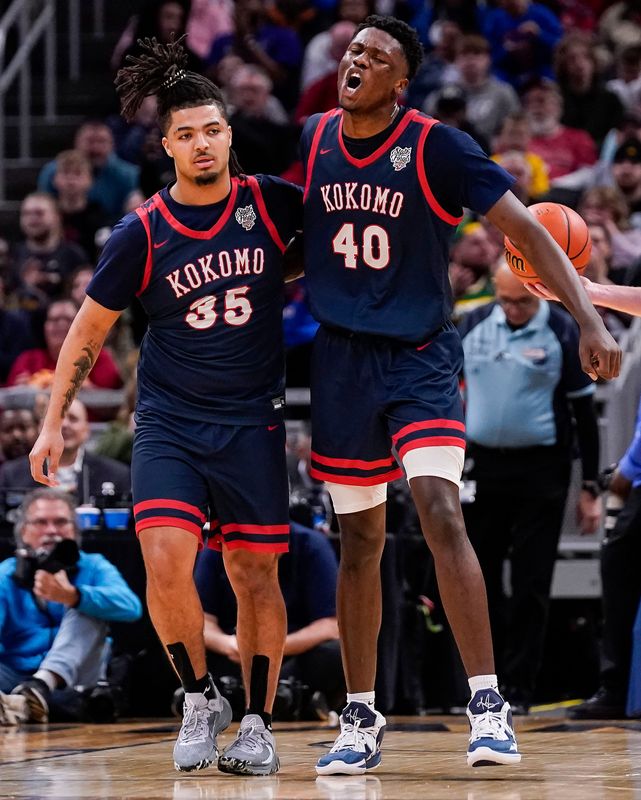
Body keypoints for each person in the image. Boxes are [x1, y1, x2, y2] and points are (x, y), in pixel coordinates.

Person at [299, 14, 620, 774]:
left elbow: (530, 233)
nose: (356, 61)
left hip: (418, 357)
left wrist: (586, 319)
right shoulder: (312, 136)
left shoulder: (437, 146)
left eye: (374, 57)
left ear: (399, 84)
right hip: (342, 361)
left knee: (441, 510)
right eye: (351, 50)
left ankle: (486, 703)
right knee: (360, 543)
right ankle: (359, 715)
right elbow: (297, 244)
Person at [28, 37, 302, 777]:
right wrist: (54, 421)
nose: (202, 142)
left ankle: (256, 722)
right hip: (172, 423)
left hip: (252, 419)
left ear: (228, 131)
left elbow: (319, 259)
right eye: (186, 133)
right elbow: (87, 331)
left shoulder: (272, 204)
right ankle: (196, 696)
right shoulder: (141, 231)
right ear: (168, 145)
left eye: (212, 128)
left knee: (253, 574)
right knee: (164, 557)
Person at [459, 265, 602, 714]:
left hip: (543, 470)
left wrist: (591, 487)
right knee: (476, 577)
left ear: (539, 296)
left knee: (531, 581)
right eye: (505, 300)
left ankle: (519, 689)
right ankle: (482, 685)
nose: (513, 309)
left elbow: (584, 413)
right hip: (483, 466)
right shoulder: (474, 324)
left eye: (522, 301)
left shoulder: (562, 328)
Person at [0, 488, 142, 724]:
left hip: (79, 675)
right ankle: (28, 702)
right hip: (16, 675)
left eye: (60, 522)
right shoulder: (6, 573)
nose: (52, 531)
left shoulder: (94, 565)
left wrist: (74, 596)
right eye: (41, 523)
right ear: (24, 531)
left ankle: (39, 688)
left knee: (87, 608)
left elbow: (131, 607)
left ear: (75, 531)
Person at [194, 521, 343, 715]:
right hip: (233, 654)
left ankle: (237, 696)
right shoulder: (217, 544)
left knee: (337, 655)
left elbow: (330, 625)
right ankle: (285, 697)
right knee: (178, 645)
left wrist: (267, 648)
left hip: (291, 655)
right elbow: (202, 621)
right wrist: (229, 644)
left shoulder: (312, 545)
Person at [0, 398, 131, 512]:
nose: (65, 425)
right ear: (41, 428)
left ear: (86, 430)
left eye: (73, 419)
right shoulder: (11, 474)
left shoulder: (117, 474)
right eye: (57, 418)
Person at [6, 299, 123, 392]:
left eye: (68, 320)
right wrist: (21, 392)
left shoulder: (99, 357)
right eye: (54, 319)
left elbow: (116, 407)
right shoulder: (28, 360)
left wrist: (87, 390)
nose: (61, 324)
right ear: (44, 327)